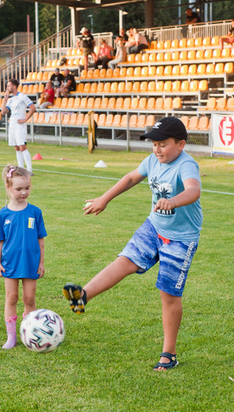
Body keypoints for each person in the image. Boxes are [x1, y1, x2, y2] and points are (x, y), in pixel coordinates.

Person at [62, 117, 202, 371]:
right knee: (124, 261)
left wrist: (174, 201)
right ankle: (83, 296)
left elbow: (194, 191)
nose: (157, 149)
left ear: (181, 144)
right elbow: (129, 178)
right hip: (154, 226)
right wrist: (104, 198)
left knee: (168, 295)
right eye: (154, 144)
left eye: (163, 144)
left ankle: (168, 354)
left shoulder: (187, 165)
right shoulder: (152, 161)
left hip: (181, 239)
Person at [0, 165, 46, 349]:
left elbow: (41, 240)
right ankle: (11, 337)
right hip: (10, 264)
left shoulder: (35, 212)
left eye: (27, 188)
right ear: (8, 188)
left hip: (31, 263)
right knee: (12, 297)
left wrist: (41, 262)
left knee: (29, 299)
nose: (23, 192)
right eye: (18, 189)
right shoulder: (2, 215)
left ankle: (30, 334)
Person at [1, 78, 37, 172]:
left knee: (22, 147)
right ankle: (21, 169)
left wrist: (25, 119)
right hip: (12, 124)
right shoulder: (10, 100)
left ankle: (29, 169)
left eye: (9, 85)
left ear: (14, 86)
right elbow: (3, 112)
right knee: (16, 147)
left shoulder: (22, 96)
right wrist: (5, 100)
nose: (7, 87)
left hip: (20, 125)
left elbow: (32, 107)